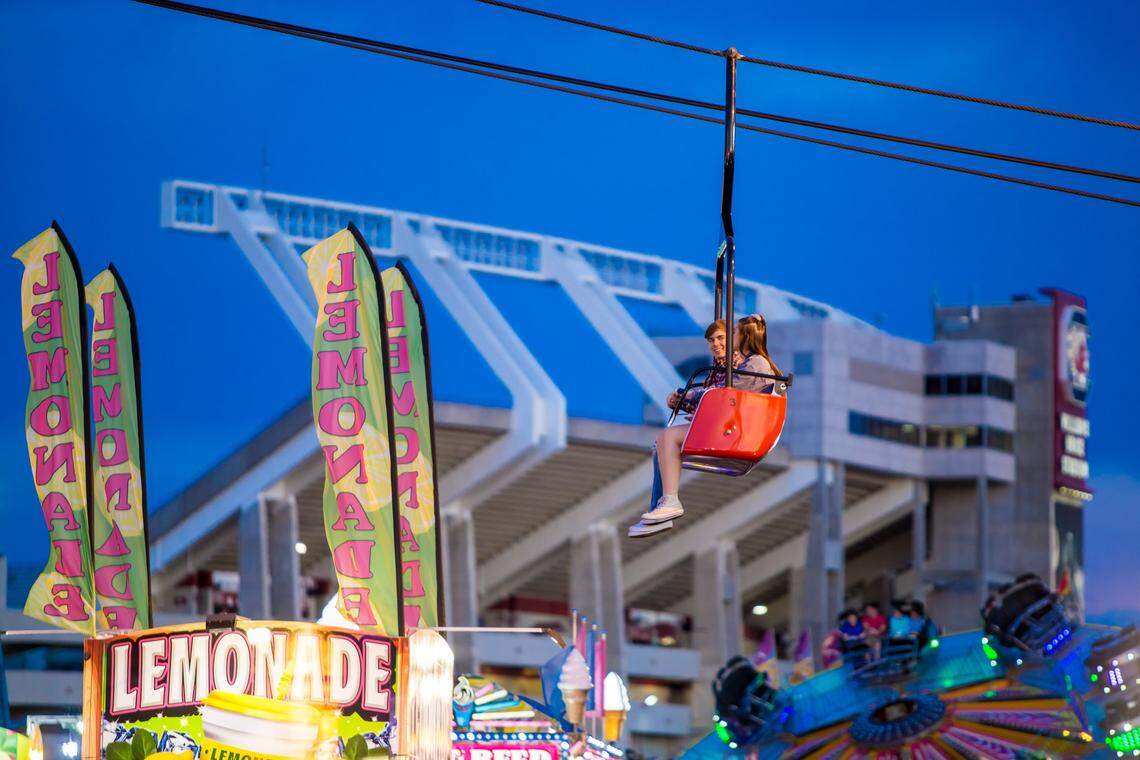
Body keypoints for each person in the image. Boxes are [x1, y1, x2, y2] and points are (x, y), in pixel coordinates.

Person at [629, 315, 779, 537]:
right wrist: (685, 400)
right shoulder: (730, 367)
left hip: (736, 430)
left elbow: (720, 395)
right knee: (660, 446)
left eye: (728, 335)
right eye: (712, 340)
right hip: (727, 424)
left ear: (742, 336)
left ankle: (670, 501)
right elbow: (714, 399)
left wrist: (685, 396)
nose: (717, 344)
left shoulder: (751, 364)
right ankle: (660, 506)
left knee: (668, 438)